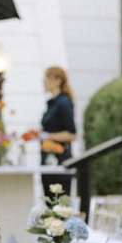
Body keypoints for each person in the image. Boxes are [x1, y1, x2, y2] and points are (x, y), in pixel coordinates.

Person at [40, 66, 77, 197]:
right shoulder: (52, 103)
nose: (44, 81)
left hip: (60, 160)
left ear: (58, 81)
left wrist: (47, 135)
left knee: (59, 204)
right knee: (49, 201)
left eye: (47, 78)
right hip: (48, 160)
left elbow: (72, 134)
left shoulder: (64, 102)